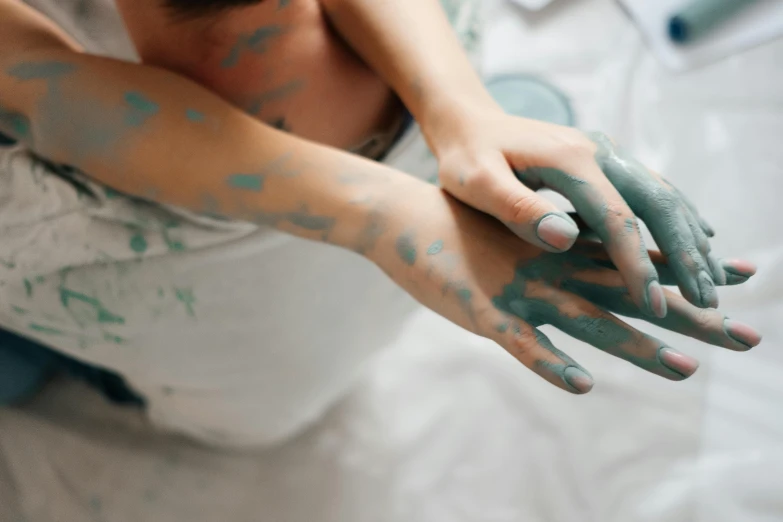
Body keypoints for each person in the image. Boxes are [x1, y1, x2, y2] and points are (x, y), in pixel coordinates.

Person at [0, 0, 761, 447]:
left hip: (243, 408)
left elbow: (38, 92)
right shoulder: (451, 18)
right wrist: (460, 112)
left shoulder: (40, 199)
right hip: (309, 354)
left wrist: (390, 216)